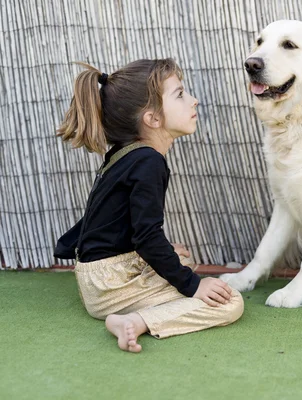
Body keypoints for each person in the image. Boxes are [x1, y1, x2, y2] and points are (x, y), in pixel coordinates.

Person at [54, 59, 244, 353]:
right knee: (229, 302)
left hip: (99, 275)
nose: (194, 100)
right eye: (180, 95)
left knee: (181, 259)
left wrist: (164, 253)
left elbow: (114, 222)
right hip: (110, 285)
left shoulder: (126, 154)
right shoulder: (149, 162)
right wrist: (193, 286)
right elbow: (146, 236)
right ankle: (135, 321)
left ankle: (134, 304)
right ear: (153, 119)